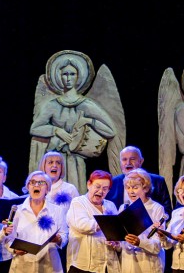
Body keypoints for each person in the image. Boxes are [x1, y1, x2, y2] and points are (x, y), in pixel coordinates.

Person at [29, 51, 119, 185]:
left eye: (72, 74)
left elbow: (111, 131)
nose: (68, 78)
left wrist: (88, 121)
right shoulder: (52, 105)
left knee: (75, 191)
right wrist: (56, 131)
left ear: (79, 76)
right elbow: (35, 128)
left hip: (75, 159)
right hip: (55, 158)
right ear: (59, 77)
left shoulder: (86, 105)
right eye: (65, 74)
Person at [106, 145, 173, 215]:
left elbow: (167, 210)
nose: (128, 163)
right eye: (124, 159)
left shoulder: (158, 181)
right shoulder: (112, 182)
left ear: (141, 161)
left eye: (132, 159)